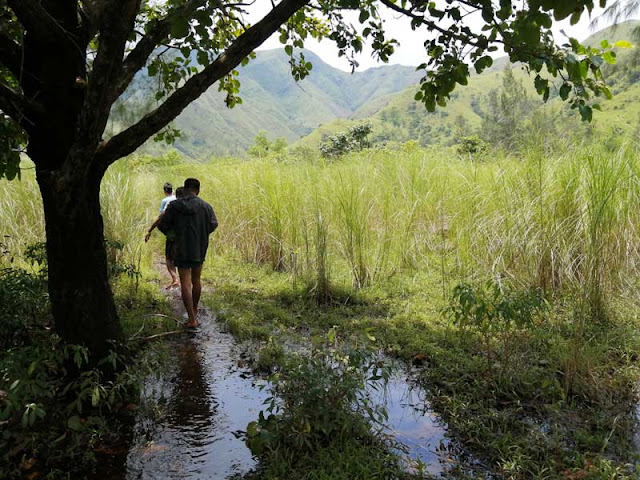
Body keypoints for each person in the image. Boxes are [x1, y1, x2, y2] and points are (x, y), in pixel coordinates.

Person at [159, 178, 218, 328]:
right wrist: (201, 234)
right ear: (198, 191)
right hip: (199, 247)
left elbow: (162, 224)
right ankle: (194, 310)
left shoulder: (174, 206)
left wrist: (173, 235)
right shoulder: (206, 206)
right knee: (196, 280)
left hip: (181, 248)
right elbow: (213, 224)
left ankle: (192, 319)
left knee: (185, 283)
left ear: (185, 189)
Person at [145, 182, 178, 289]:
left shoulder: (165, 201)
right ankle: (182, 281)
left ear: (164, 191)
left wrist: (150, 230)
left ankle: (175, 279)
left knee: (169, 258)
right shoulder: (177, 199)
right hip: (183, 234)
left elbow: (161, 217)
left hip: (171, 234)